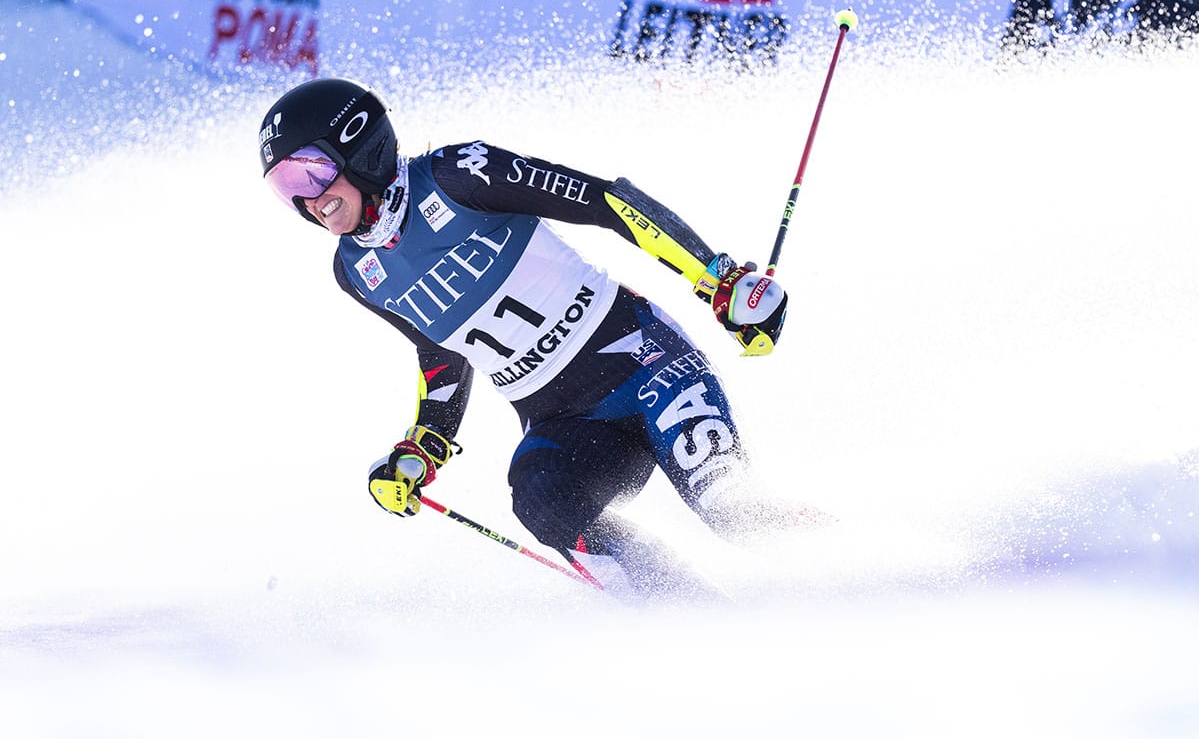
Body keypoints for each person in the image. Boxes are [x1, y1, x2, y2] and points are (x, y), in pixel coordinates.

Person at [257, 77, 815, 599]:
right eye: (287, 190)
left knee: (735, 513)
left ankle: (871, 572)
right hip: (563, 424)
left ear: (362, 148)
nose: (308, 200)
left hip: (647, 368)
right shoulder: (355, 272)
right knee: (543, 502)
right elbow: (440, 351)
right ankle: (689, 611)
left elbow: (606, 202)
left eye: (310, 174)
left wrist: (717, 279)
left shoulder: (458, 175)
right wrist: (425, 443)